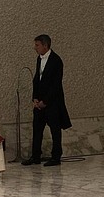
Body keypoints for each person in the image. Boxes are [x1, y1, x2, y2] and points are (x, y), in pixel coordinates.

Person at [22, 34, 71, 167]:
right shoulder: (39, 59)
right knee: (37, 129)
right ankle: (35, 155)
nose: (35, 48)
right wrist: (35, 98)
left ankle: (56, 157)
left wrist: (46, 101)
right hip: (39, 102)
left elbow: (55, 84)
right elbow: (37, 79)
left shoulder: (56, 60)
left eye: (37, 45)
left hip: (52, 102)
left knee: (55, 130)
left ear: (45, 45)